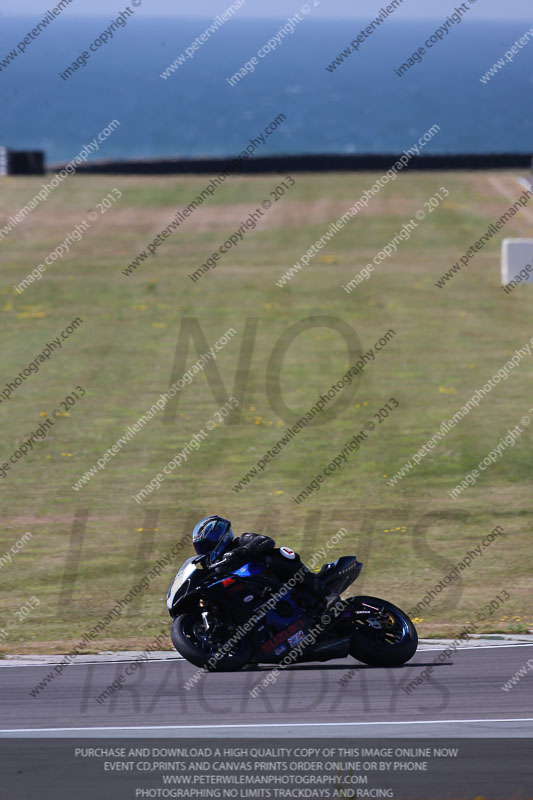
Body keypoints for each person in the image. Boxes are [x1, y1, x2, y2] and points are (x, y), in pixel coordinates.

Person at [191, 515, 336, 612]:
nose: (204, 551)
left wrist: (242, 551)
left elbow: (266, 541)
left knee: (278, 554)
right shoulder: (215, 568)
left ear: (218, 537)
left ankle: (325, 593)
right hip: (254, 603)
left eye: (206, 545)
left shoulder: (241, 541)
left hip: (276, 582)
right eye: (200, 548)